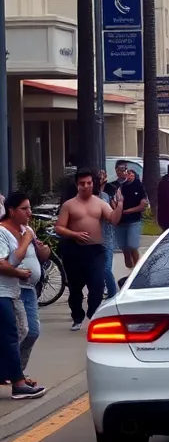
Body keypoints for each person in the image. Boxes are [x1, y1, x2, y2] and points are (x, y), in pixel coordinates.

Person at [55, 169, 124, 331]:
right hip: (74, 250)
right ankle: (77, 316)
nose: (85, 186)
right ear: (77, 185)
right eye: (82, 183)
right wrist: (74, 234)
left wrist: (120, 204)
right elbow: (59, 228)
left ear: (94, 184)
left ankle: (92, 312)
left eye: (89, 183)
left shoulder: (100, 203)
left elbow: (113, 219)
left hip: (95, 250)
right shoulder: (69, 205)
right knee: (75, 287)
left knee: (98, 285)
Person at [0, 192, 50, 398]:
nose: (29, 213)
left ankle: (13, 374)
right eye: (24, 209)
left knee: (24, 331)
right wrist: (19, 271)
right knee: (12, 335)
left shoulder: (26, 230)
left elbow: (42, 256)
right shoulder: (3, 232)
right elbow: (6, 263)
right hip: (3, 291)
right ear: (11, 211)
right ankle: (18, 383)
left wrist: (41, 248)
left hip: (18, 291)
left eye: (30, 208)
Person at [115, 165, 147, 270]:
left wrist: (129, 210)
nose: (128, 175)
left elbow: (142, 205)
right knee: (124, 248)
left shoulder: (138, 185)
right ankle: (130, 269)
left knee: (133, 246)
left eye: (131, 173)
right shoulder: (117, 186)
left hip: (133, 220)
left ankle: (136, 270)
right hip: (120, 221)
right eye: (126, 172)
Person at [96, 171, 121, 301]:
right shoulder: (87, 198)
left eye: (103, 180)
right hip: (93, 239)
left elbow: (112, 216)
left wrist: (119, 203)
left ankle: (113, 294)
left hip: (106, 237)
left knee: (106, 268)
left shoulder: (105, 195)